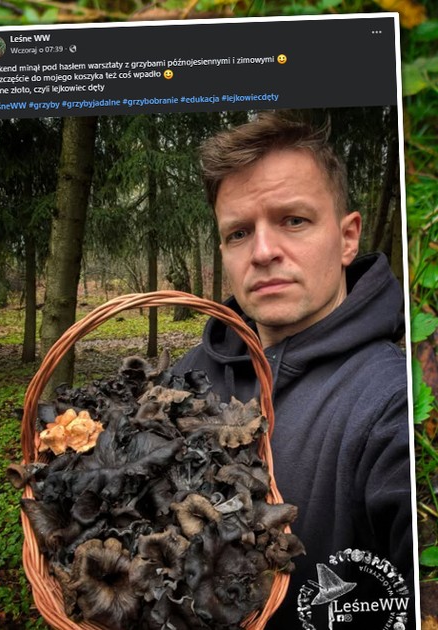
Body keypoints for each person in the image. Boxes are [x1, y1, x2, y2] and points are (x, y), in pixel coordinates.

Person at [174, 111, 413, 627]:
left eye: (294, 221)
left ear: (348, 237)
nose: (262, 252)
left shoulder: (393, 402)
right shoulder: (188, 376)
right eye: (239, 233)